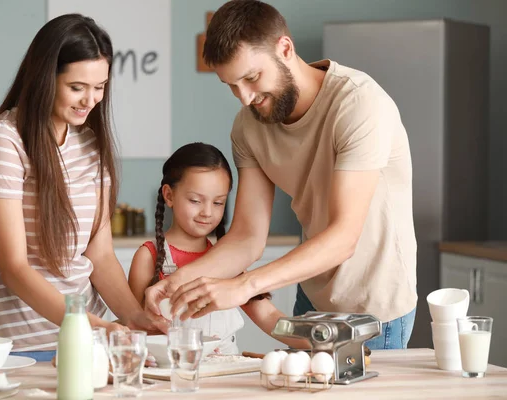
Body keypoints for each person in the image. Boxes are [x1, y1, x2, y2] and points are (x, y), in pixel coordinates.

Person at [145, 0, 417, 350]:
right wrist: (178, 281)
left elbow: (343, 237)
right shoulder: (248, 126)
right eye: (231, 85)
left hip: (374, 308)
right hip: (311, 296)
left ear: (285, 49)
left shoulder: (359, 105)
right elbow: (246, 236)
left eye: (252, 77)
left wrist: (245, 286)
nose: (244, 98)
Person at [0, 14, 167, 362]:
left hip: (87, 340)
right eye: (77, 87)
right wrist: (98, 327)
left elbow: (99, 256)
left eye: (100, 87)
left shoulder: (89, 145)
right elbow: (14, 269)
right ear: (44, 78)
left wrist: (135, 318)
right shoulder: (2, 143)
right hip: (22, 347)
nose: (91, 100)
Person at [129, 142, 310, 353]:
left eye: (218, 203)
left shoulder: (227, 260)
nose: (207, 212)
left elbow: (267, 315)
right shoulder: (148, 257)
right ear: (169, 195)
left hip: (225, 370)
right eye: (195, 200)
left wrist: (320, 343)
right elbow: (134, 324)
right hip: (174, 375)